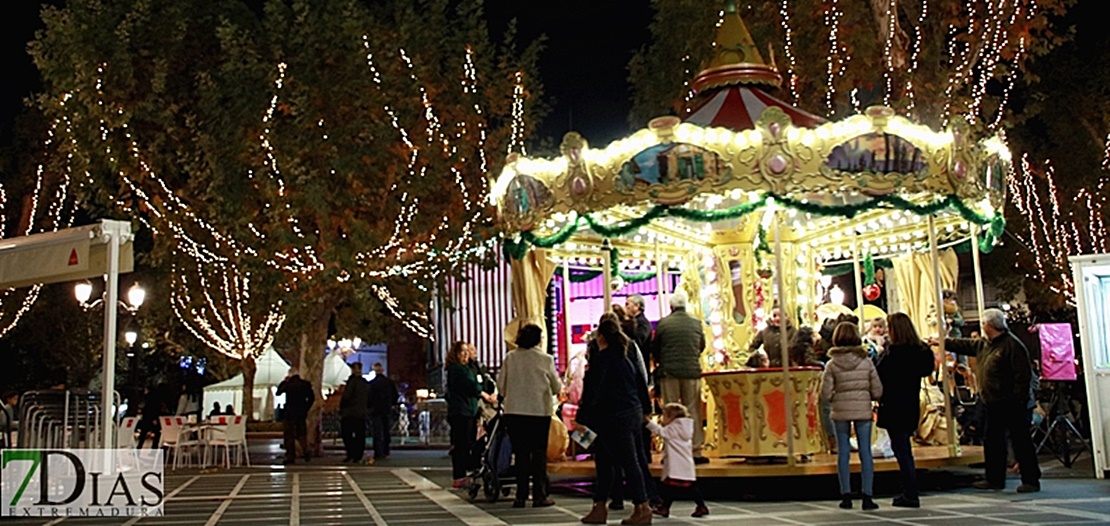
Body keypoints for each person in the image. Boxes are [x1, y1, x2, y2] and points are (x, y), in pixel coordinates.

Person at [941, 308, 1040, 493]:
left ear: (990, 325)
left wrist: (1018, 399)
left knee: (1020, 441)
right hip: (992, 402)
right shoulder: (986, 344)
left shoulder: (1012, 346)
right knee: (993, 441)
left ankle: (1031, 479)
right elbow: (966, 345)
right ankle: (994, 478)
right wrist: (942, 342)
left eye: (983, 323)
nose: (982, 326)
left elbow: (1022, 376)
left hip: (1011, 403)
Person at [577, 318, 653, 525]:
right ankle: (599, 506)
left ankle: (642, 507)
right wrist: (646, 409)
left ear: (600, 337)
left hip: (612, 417)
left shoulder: (602, 360)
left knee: (625, 462)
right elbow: (640, 382)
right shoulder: (625, 355)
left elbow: (593, 391)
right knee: (608, 460)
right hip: (630, 413)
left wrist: (581, 418)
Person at [497, 324, 563, 508]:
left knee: (521, 455)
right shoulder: (546, 359)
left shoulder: (510, 358)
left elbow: (501, 385)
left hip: (515, 412)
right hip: (538, 412)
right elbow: (556, 387)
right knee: (539, 455)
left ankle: (520, 495)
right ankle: (539, 496)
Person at [876, 313, 936, 508]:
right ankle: (909, 490)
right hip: (910, 402)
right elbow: (927, 369)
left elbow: (880, 374)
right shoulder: (919, 351)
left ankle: (910, 492)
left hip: (893, 404)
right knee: (904, 448)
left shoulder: (892, 354)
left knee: (901, 450)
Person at [822, 321, 883, 511]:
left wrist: (836, 398)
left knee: (843, 453)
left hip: (840, 411)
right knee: (865, 452)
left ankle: (846, 495)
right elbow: (877, 390)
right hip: (862, 410)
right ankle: (867, 495)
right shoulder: (866, 362)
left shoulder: (832, 364)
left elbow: (825, 393)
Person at [650, 292, 708, 463]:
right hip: (691, 371)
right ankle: (695, 450)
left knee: (670, 410)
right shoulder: (696, 323)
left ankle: (672, 451)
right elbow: (701, 345)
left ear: (672, 307)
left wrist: (661, 361)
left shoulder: (664, 324)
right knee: (693, 410)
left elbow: (656, 348)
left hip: (670, 372)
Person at [646, 403, 708, 519]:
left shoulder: (674, 427)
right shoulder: (684, 427)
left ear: (671, 417)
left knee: (680, 488)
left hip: (677, 465)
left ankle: (700, 506)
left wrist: (648, 423)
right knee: (675, 488)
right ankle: (666, 507)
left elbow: (662, 432)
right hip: (683, 464)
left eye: (664, 416)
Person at [446, 342, 494, 488]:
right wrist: (481, 391)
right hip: (461, 411)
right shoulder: (456, 369)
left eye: (468, 351)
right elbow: (471, 386)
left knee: (469, 441)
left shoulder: (467, 368)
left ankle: (466, 471)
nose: (466, 354)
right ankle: (459, 476)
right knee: (462, 444)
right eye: (463, 351)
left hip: (469, 410)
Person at [277, 368, 315, 465]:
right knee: (301, 434)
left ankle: (290, 456)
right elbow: (312, 398)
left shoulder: (288, 385)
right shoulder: (305, 384)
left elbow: (278, 393)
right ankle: (306, 451)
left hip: (289, 413)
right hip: (301, 413)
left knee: (289, 436)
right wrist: (306, 408)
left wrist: (284, 381)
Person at [340, 362, 370, 464]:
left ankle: (351, 453)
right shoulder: (365, 383)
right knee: (360, 435)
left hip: (350, 412)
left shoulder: (352, 382)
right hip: (361, 412)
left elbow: (347, 397)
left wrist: (342, 407)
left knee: (347, 434)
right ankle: (358, 455)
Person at [368, 362, 398, 461]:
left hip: (376, 409)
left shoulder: (372, 383)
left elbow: (369, 397)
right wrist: (391, 404)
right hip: (386, 409)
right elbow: (395, 396)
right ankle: (386, 449)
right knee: (386, 430)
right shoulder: (389, 382)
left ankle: (378, 451)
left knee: (377, 431)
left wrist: (369, 406)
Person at [136, 384, 166, 449]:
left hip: (148, 417)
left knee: (143, 434)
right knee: (156, 433)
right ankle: (154, 448)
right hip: (151, 417)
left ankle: (139, 448)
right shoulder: (155, 398)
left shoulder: (149, 398)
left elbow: (149, 408)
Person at [625, 294, 653, 363]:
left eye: (627, 304)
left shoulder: (642, 323)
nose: (625, 307)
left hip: (639, 362)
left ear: (637, 306)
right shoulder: (640, 322)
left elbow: (638, 341)